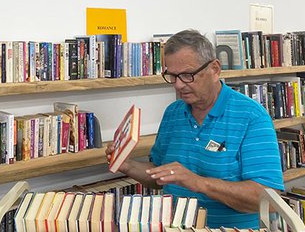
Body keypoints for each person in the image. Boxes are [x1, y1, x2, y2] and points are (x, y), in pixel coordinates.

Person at [106, 29, 284, 228]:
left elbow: (269, 200)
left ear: (215, 69)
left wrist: (199, 182)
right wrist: (128, 165)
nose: (179, 85)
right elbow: (160, 176)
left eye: (187, 75)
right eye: (172, 76)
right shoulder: (172, 113)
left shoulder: (252, 117)